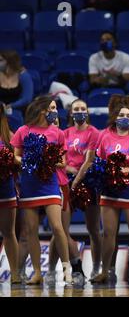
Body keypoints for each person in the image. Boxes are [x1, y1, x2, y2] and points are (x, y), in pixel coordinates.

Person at [10, 96, 72, 285]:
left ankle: (66, 269)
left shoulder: (58, 133)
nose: (55, 111)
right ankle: (37, 272)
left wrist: (47, 161)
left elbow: (63, 162)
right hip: (29, 186)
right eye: (51, 108)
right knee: (30, 231)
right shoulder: (23, 130)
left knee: (57, 227)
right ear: (42, 110)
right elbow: (15, 157)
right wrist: (30, 162)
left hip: (50, 184)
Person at [90, 103, 129, 283]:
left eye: (128, 115)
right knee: (109, 233)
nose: (124, 117)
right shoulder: (105, 137)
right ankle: (105, 271)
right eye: (121, 114)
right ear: (115, 117)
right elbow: (99, 162)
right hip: (109, 190)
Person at [46, 99, 102, 283]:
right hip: (65, 183)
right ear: (70, 113)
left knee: (93, 228)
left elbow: (89, 160)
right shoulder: (64, 133)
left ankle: (96, 268)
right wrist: (69, 173)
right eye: (76, 109)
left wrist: (76, 180)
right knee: (60, 228)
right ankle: (52, 270)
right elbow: (61, 161)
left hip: (88, 182)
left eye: (83, 109)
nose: (79, 112)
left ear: (87, 112)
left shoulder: (94, 132)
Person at [0, 103, 20, 284]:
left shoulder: (9, 135)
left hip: (5, 189)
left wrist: (13, 159)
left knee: (8, 232)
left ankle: (15, 273)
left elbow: (19, 159)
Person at [0, 50, 34, 116]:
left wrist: (11, 106)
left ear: (9, 62)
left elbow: (27, 99)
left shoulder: (24, 76)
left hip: (19, 111)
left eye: (1, 60)